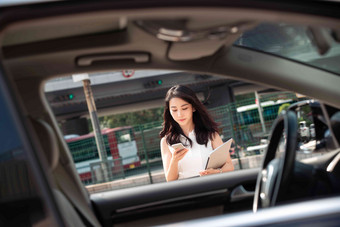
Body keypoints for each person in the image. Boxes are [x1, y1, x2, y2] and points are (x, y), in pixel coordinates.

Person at [160, 85, 234, 181]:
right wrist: (174, 160)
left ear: (193, 108)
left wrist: (216, 172)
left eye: (184, 108)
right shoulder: (166, 142)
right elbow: (170, 179)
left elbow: (229, 166)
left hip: (212, 187)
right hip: (187, 192)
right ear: (169, 111)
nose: (179, 114)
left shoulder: (211, 135)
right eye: (174, 110)